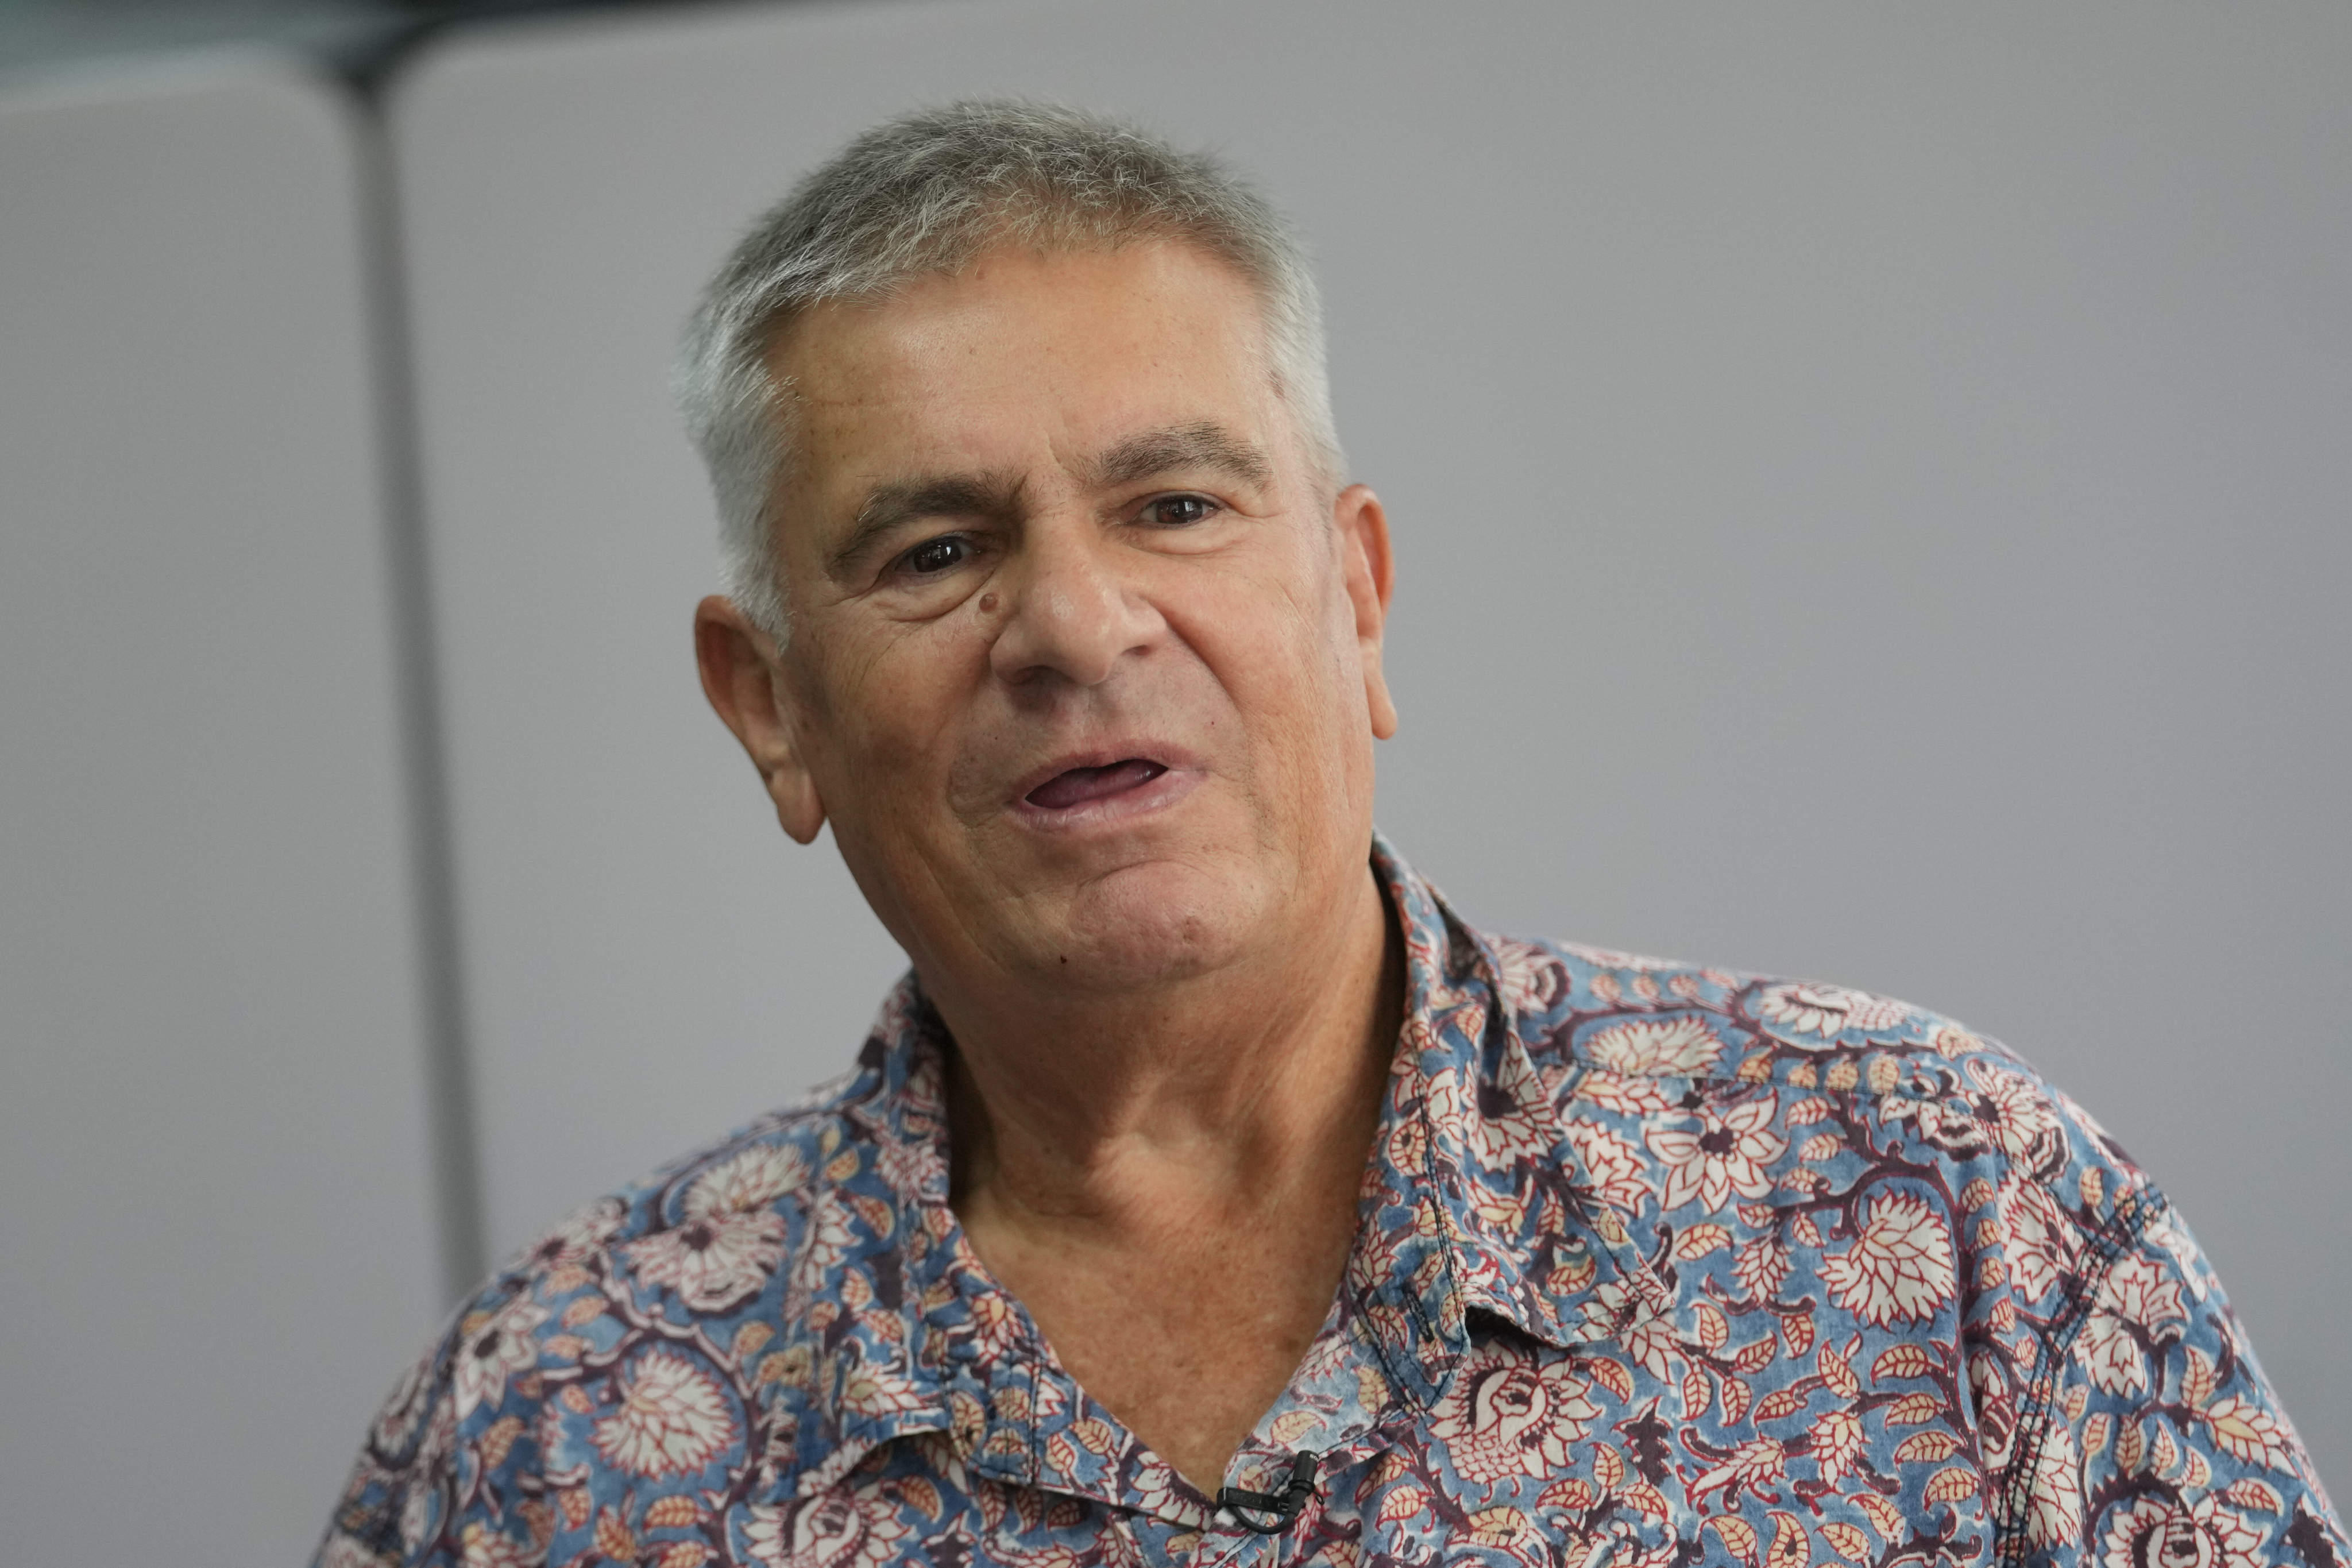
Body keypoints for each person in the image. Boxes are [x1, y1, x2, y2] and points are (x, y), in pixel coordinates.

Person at [316, 102, 2345, 1568]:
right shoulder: (543, 1443)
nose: (1080, 624)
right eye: (937, 548)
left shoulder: (1944, 1212)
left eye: (1178, 506)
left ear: (1357, 597)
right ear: (772, 706)